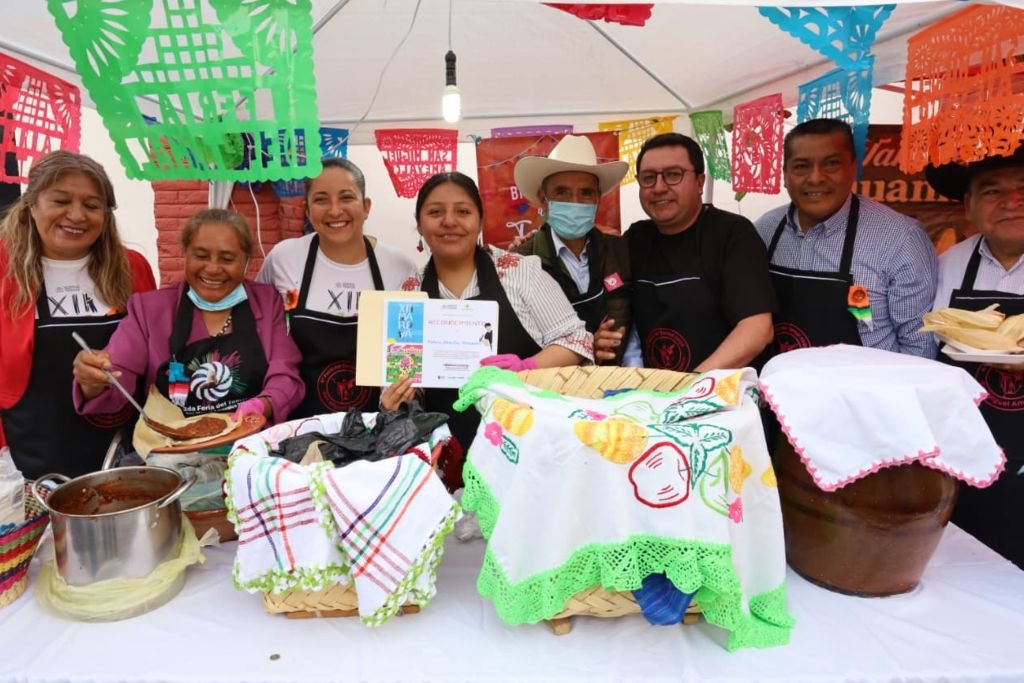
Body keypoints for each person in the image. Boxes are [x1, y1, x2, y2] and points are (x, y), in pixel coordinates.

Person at [400, 172, 592, 486]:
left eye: (463, 211)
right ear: (420, 224)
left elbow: (576, 340)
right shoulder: (409, 292)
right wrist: (398, 395)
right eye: (435, 212)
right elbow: (406, 379)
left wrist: (527, 367)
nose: (449, 221)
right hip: (448, 464)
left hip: (531, 454)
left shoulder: (520, 273)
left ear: (479, 220)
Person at [0, 150, 156, 479]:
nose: (76, 215)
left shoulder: (132, 268)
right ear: (32, 204)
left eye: (91, 205)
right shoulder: (4, 268)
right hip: (29, 461)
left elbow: (151, 354)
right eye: (61, 201)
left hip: (125, 454)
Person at [73, 209, 303, 430]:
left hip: (250, 442)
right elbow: (116, 372)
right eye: (201, 256)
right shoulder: (150, 310)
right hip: (171, 446)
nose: (212, 269)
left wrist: (263, 406)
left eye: (227, 259)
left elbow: (285, 374)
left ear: (246, 261)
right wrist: (94, 380)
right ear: (185, 254)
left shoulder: (266, 302)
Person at [753, 119, 937, 359]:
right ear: (785, 175)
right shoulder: (764, 231)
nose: (816, 178)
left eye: (831, 164)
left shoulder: (901, 239)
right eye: (801, 166)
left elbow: (920, 350)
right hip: (775, 382)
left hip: (865, 383)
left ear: (853, 168)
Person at [597, 133, 774, 372]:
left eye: (673, 175)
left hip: (720, 388)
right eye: (648, 178)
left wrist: (694, 383)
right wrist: (601, 339)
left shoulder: (732, 234)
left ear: (700, 182)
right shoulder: (636, 239)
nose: (659, 187)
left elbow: (757, 329)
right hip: (654, 388)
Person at [925, 144, 1024, 568]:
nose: (1011, 202)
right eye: (992, 191)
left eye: (1023, 188)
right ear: (968, 206)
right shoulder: (946, 266)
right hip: (961, 459)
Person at [257, 158, 416, 417]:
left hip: (378, 424)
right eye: (321, 200)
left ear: (366, 207)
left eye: (346, 198)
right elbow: (258, 324)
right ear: (307, 210)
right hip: (299, 425)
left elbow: (408, 354)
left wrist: (398, 398)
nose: (334, 211)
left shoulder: (399, 267)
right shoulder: (283, 258)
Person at [512, 135, 632, 363]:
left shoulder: (621, 250)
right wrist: (585, 348)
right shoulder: (521, 263)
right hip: (551, 383)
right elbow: (522, 342)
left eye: (586, 192)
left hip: (618, 379)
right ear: (543, 199)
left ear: (598, 199)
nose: (575, 201)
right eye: (562, 192)